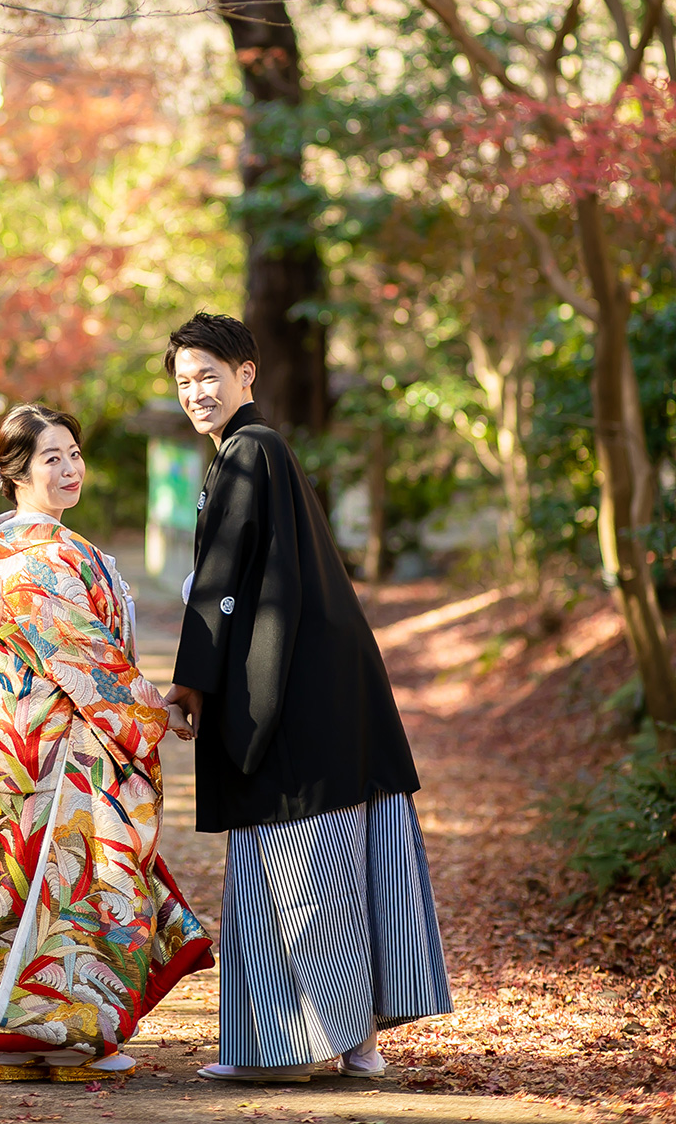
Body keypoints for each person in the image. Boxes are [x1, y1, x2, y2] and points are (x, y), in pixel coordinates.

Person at [162, 313, 452, 1085]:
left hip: (289, 686)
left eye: (208, 376)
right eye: (184, 381)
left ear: (246, 373)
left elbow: (223, 585)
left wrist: (193, 680)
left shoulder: (246, 455)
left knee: (299, 863)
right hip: (337, 684)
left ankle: (287, 1044)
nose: (196, 392)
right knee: (350, 854)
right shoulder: (267, 452)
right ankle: (360, 1041)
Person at [0, 402, 214, 1084]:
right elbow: (94, 671)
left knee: (30, 894)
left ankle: (23, 1039)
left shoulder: (12, 566)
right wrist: (166, 713)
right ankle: (68, 1039)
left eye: (73, 453)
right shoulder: (42, 565)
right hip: (69, 760)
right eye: (50, 459)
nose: (69, 469)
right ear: (15, 473)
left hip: (19, 761)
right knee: (75, 894)